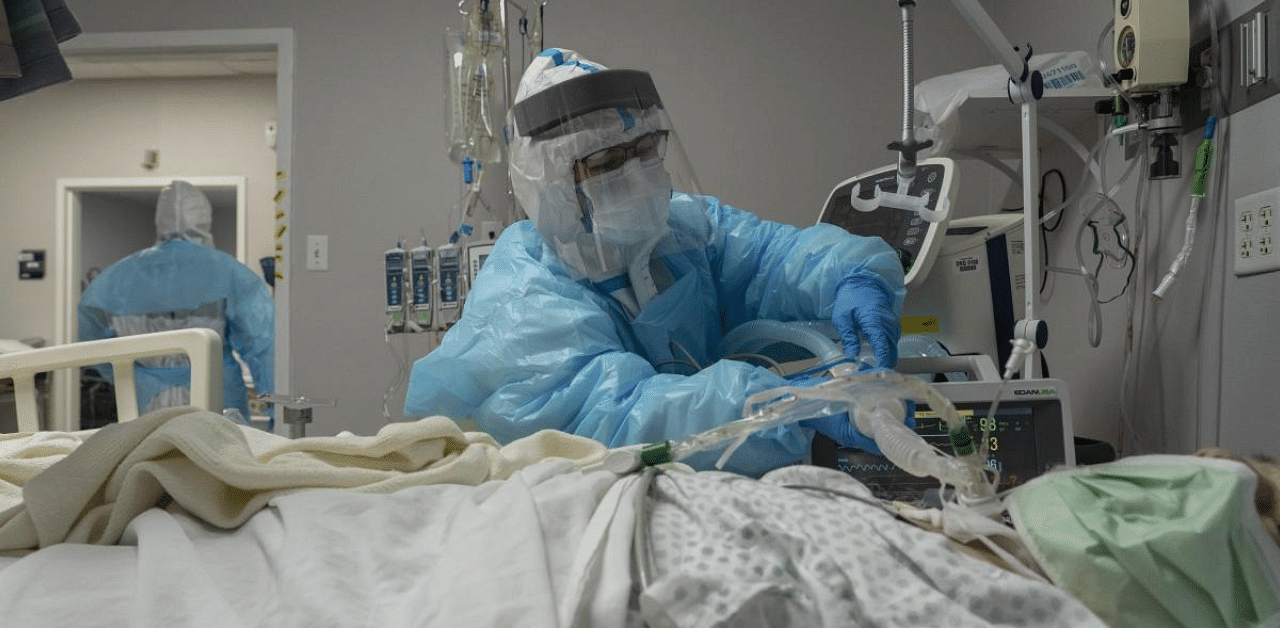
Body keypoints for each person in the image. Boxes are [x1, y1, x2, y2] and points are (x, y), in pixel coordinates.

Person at [404, 49, 907, 475]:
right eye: (605, 163)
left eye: (645, 148)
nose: (638, 174)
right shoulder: (524, 291)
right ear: (552, 185)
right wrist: (778, 407)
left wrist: (851, 275)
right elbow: (617, 420)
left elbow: (771, 257)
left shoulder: (679, 230)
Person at [79, 180, 275, 425]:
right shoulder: (230, 273)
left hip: (145, 396)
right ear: (205, 219)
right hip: (217, 394)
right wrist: (274, 412)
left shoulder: (116, 278)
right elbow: (263, 349)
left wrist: (131, 376)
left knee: (150, 456)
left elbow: (94, 347)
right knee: (217, 455)